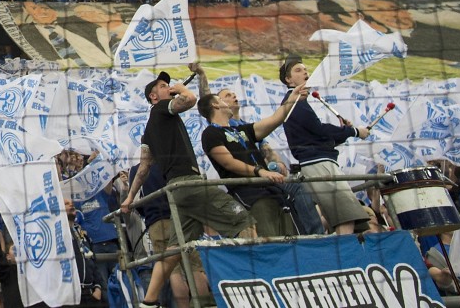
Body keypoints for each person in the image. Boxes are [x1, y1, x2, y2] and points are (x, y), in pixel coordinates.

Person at [120, 70, 254, 308]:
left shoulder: (150, 128)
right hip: (189, 184)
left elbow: (143, 168)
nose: (167, 87)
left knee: (173, 249)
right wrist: (180, 88)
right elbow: (191, 100)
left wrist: (130, 197)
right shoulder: (162, 109)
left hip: (177, 190)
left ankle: (148, 302)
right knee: (244, 219)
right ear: (153, 96)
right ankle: (248, 284)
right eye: (163, 86)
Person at [198, 83, 310, 237]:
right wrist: (260, 171)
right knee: (271, 242)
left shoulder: (241, 129)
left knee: (294, 238)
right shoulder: (210, 133)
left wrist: (293, 97)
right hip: (250, 194)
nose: (229, 102)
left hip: (274, 192)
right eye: (223, 99)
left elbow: (275, 119)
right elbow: (228, 162)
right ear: (215, 104)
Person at [279, 56, 372, 234]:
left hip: (320, 163)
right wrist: (354, 132)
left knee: (346, 220)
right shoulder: (294, 102)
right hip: (319, 166)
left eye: (305, 69)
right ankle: (345, 258)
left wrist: (342, 134)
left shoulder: (299, 101)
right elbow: (319, 129)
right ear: (288, 79)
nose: (305, 72)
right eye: (298, 70)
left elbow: (316, 136)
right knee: (346, 219)